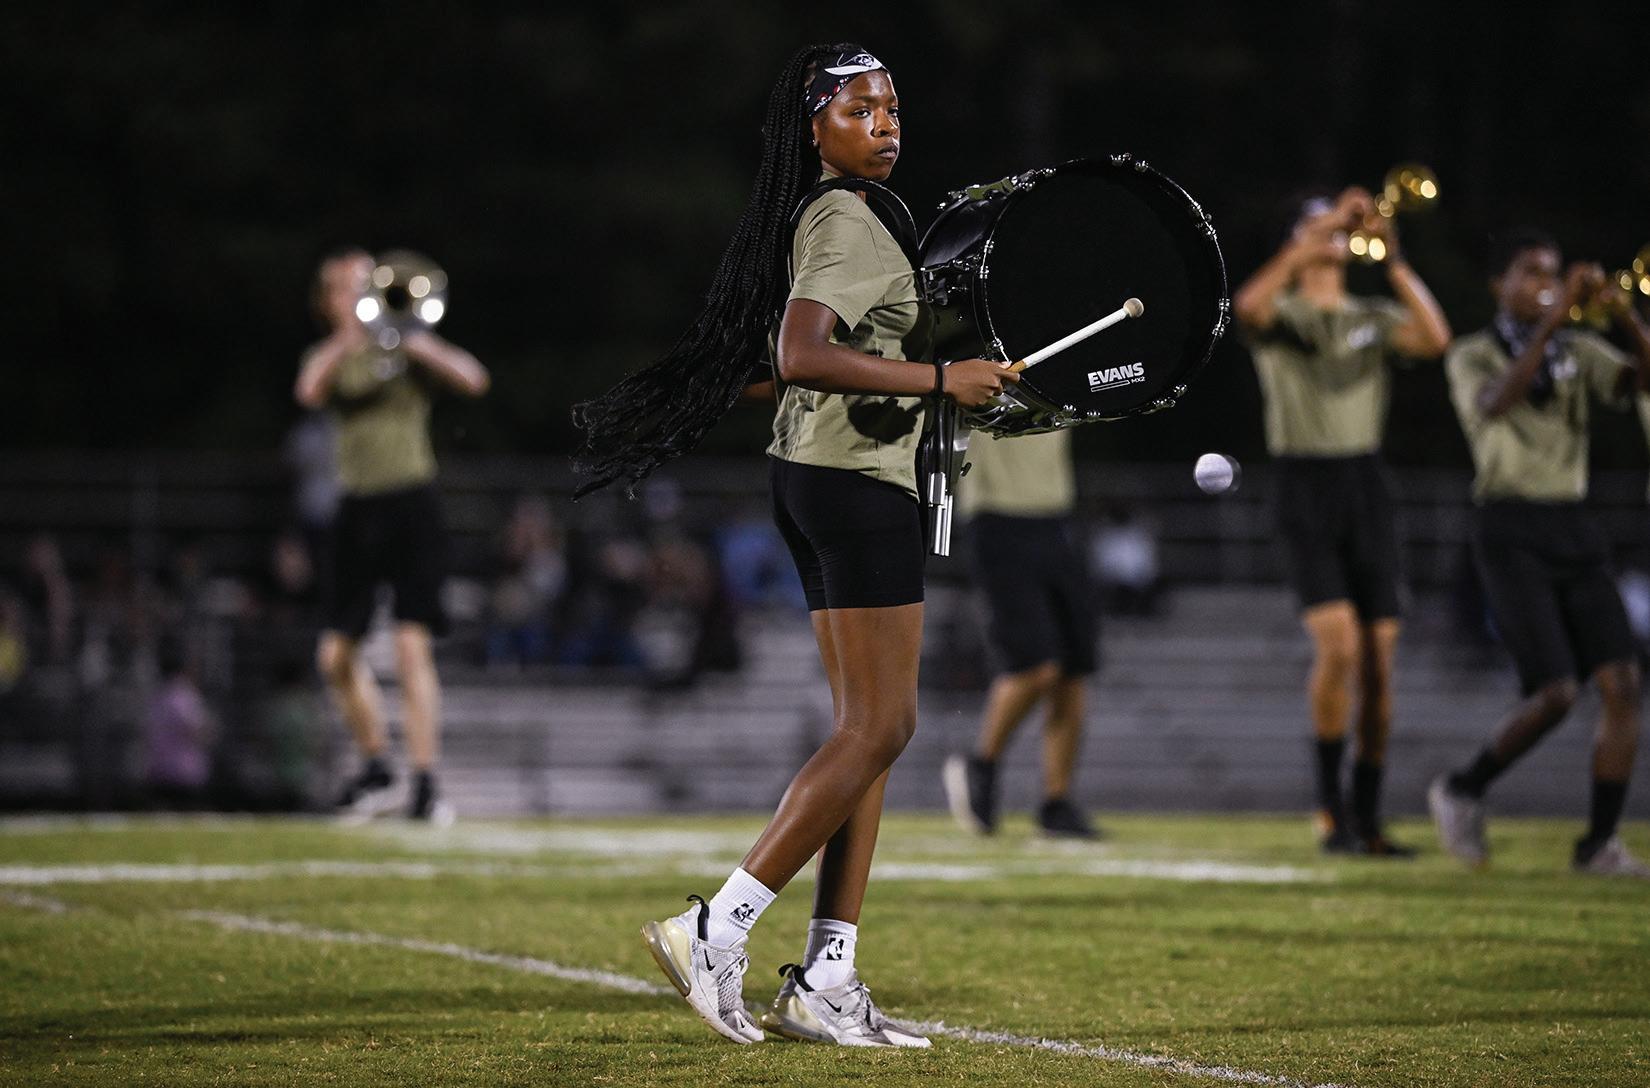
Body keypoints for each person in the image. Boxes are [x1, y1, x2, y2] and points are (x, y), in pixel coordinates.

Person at [572, 44, 1014, 1046]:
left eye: (892, 107)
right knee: (879, 727)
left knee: (872, 732)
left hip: (823, 477)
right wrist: (940, 381)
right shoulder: (845, 216)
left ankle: (827, 975)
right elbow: (802, 350)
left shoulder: (834, 214)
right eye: (859, 109)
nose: (884, 124)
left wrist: (940, 376)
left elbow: (779, 367)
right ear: (813, 127)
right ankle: (715, 928)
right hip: (852, 486)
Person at [1233, 187, 1452, 855]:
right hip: (1304, 483)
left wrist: (1394, 259)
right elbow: (1247, 305)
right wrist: (1324, 225)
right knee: (1340, 650)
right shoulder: (1283, 312)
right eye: (1318, 227)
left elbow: (1435, 339)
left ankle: (1368, 817)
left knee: (1379, 662)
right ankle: (1330, 810)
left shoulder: (1370, 314)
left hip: (1366, 484)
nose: (1335, 236)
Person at [1430, 229, 1650, 877]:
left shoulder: (1577, 350)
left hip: (1572, 523)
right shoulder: (1472, 353)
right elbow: (1497, 402)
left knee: (1624, 685)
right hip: (1508, 525)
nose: (1547, 284)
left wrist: (1626, 316)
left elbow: (1643, 380)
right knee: (1555, 693)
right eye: (1531, 273)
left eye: (1552, 273)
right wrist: (1555, 321)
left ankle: (1598, 844)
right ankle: (1462, 787)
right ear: (1499, 284)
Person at [293, 247, 490, 824]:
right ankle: (377, 765)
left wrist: (412, 337)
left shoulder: (405, 347)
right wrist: (348, 339)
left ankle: (425, 783)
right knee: (334, 655)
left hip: (412, 503)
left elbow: (474, 379)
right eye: (346, 287)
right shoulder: (332, 356)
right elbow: (308, 391)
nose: (359, 294)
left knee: (411, 644)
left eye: (366, 284)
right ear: (328, 301)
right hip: (356, 509)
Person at [941, 429, 1101, 838]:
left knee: (1073, 670)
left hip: (1057, 517)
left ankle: (1056, 802)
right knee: (1035, 666)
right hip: (996, 517)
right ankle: (982, 764)